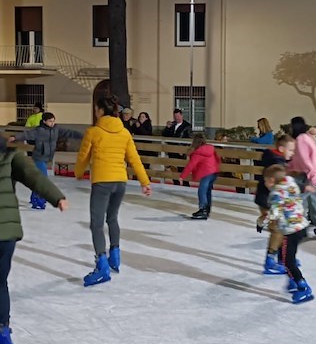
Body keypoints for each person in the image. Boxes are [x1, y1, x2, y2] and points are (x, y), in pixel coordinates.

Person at [0, 135, 68, 344]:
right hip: (7, 234)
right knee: (0, 282)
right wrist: (57, 197)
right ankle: (3, 335)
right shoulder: (11, 155)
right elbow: (35, 177)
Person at [75, 96, 152, 287]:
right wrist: (145, 182)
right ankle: (115, 256)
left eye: (96, 109)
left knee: (97, 224)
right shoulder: (124, 133)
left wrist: (78, 172)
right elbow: (134, 159)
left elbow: (83, 156)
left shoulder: (93, 132)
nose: (95, 112)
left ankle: (102, 266)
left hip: (102, 182)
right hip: (120, 182)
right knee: (113, 218)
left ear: (101, 111)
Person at [9, 112, 83, 210]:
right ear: (44, 121)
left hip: (47, 157)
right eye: (50, 121)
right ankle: (38, 202)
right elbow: (27, 134)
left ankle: (34, 198)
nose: (52, 123)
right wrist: (15, 137)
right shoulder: (39, 131)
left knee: (38, 178)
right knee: (43, 178)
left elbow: (69, 132)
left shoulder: (56, 130)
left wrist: (83, 135)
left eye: (53, 121)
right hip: (38, 157)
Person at [263, 164, 313, 304]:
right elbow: (299, 187)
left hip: (290, 230)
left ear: (272, 180)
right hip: (301, 227)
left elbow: (275, 212)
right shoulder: (290, 183)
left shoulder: (275, 194)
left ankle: (302, 287)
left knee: (287, 261)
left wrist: (263, 221)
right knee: (288, 255)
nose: (265, 184)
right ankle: (292, 282)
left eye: (265, 180)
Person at [254, 134, 296, 274]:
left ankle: (281, 257)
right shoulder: (276, 164)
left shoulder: (277, 160)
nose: (293, 153)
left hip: (269, 199)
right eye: (291, 150)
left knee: (281, 228)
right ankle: (270, 261)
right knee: (278, 229)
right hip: (268, 200)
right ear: (282, 148)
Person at [288, 117, 316, 238]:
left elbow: (304, 158)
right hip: (310, 172)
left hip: (311, 173)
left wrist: (311, 174)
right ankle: (306, 226)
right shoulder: (305, 138)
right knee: (307, 201)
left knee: (310, 200)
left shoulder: (301, 139)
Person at [180, 134, 220, 220]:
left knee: (202, 191)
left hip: (206, 174)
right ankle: (207, 209)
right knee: (207, 191)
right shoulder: (210, 148)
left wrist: (182, 176)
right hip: (213, 172)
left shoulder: (198, 153)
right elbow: (217, 159)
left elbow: (190, 165)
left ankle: (203, 210)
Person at [162, 109, 192, 186]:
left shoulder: (187, 126)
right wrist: (167, 128)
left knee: (182, 169)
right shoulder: (172, 125)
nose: (177, 118)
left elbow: (188, 139)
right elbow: (165, 135)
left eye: (178, 116)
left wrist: (183, 150)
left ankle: (186, 185)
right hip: (172, 150)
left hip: (180, 151)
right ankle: (176, 184)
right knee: (173, 169)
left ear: (181, 115)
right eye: (175, 116)